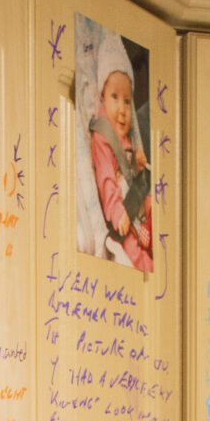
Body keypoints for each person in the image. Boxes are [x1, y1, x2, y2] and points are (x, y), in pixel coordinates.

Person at [86, 32, 153, 274]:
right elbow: (106, 180)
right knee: (136, 251)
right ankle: (147, 266)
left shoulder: (127, 136)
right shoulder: (103, 136)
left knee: (152, 206)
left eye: (127, 100)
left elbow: (134, 178)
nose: (123, 109)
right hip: (122, 217)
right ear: (103, 96)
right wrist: (117, 213)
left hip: (137, 206)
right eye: (115, 97)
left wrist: (138, 163)